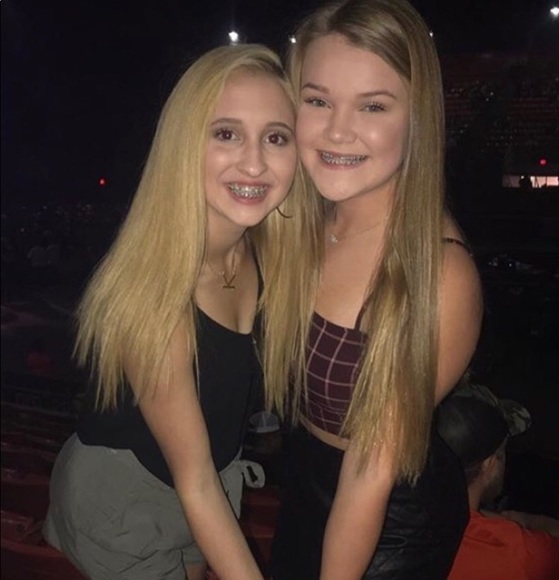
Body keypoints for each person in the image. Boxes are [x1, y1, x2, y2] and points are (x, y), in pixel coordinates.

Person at [42, 43, 305, 580]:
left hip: (207, 478)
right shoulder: (157, 294)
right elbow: (195, 482)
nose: (255, 162)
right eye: (226, 133)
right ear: (184, 145)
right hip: (125, 499)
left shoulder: (265, 253)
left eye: (276, 137)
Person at [261, 0, 484, 578]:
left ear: (417, 118)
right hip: (305, 482)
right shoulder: (303, 223)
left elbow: (369, 472)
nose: (337, 130)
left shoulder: (440, 274)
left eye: (373, 106)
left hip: (390, 523)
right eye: (317, 101)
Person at [437, 383, 559, 579]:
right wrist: (525, 520)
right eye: (502, 451)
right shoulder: (518, 553)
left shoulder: (401, 514)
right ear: (489, 464)